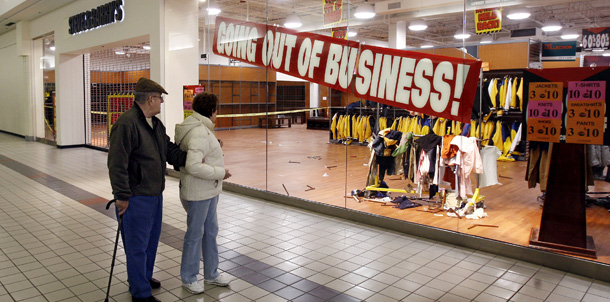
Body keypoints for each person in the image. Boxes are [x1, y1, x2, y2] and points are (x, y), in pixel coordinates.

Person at [108, 77, 186, 302]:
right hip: (135, 197)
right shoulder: (127, 124)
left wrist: (190, 159)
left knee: (151, 241)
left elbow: (169, 150)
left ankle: (143, 277)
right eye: (160, 99)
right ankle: (140, 293)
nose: (161, 103)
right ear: (151, 99)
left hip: (154, 193)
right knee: (136, 245)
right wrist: (121, 196)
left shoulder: (155, 124)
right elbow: (117, 163)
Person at [174, 92, 232, 294]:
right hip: (199, 192)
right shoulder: (199, 131)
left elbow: (199, 153)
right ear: (212, 110)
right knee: (195, 234)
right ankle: (189, 278)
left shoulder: (200, 128)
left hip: (207, 191)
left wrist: (216, 148)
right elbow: (193, 166)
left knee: (210, 231)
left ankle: (211, 273)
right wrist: (220, 172)